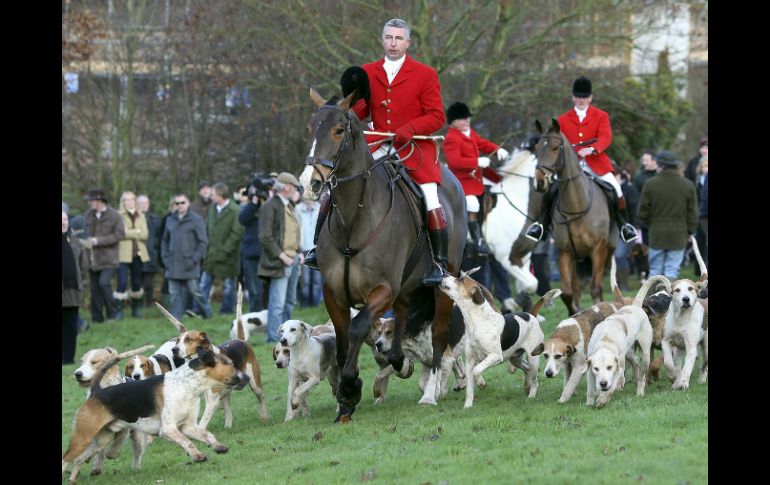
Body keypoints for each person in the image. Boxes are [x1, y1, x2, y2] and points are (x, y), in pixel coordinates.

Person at [305, 18, 448, 286]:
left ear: (408, 42)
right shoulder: (368, 72)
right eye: (389, 38)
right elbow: (361, 112)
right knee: (335, 185)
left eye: (399, 38)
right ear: (382, 40)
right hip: (379, 142)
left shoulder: (425, 73)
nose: (393, 43)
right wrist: (345, 117)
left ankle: (439, 263)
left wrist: (409, 127)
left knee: (430, 197)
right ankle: (316, 248)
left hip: (414, 147)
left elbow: (437, 115)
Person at [524, 76, 638, 244]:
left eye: (584, 97)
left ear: (590, 98)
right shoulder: (562, 119)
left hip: (596, 163)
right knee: (550, 190)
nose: (581, 100)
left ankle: (624, 226)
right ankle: (542, 226)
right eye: (578, 97)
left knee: (616, 189)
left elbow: (606, 137)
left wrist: (592, 149)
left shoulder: (601, 116)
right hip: (570, 165)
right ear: (573, 98)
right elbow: (555, 141)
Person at [443, 101, 508, 257]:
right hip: (462, 183)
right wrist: (476, 162)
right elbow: (454, 161)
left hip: (475, 182)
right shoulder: (452, 138)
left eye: (468, 118)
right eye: (464, 119)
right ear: (454, 122)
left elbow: (483, 144)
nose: (468, 121)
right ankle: (476, 241)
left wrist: (497, 149)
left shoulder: (470, 133)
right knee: (472, 205)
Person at [638, 151, 698, 280]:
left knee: (655, 271)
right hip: (679, 233)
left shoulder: (650, 184)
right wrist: (690, 231)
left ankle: (654, 298)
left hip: (656, 233)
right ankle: (668, 298)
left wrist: (651, 224)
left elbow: (642, 212)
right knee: (672, 270)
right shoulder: (687, 185)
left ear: (661, 166)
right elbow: (692, 213)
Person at [259, 173, 304, 343]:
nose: (296, 190)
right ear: (287, 187)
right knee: (277, 303)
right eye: (294, 187)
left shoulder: (289, 205)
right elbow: (265, 237)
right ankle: (273, 338)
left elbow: (294, 233)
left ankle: (287, 336)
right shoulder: (269, 206)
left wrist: (299, 251)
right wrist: (282, 256)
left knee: (290, 302)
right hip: (280, 261)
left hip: (293, 260)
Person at [161, 194, 210, 320]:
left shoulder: (196, 219)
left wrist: (195, 259)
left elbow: (203, 242)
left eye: (183, 202)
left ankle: (207, 313)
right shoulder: (170, 219)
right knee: (174, 293)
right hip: (173, 263)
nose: (180, 205)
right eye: (177, 203)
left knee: (195, 292)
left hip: (190, 263)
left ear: (188, 203)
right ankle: (177, 318)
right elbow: (165, 241)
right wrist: (165, 258)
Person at [198, 182, 244, 316]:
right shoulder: (213, 208)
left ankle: (226, 311)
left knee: (229, 286)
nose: (211, 197)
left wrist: (224, 251)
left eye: (213, 194)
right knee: (204, 283)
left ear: (221, 196)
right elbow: (207, 228)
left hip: (229, 256)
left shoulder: (236, 210)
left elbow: (236, 234)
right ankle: (201, 310)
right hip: (211, 254)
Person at [83, 189, 125, 323]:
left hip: (109, 259)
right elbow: (83, 232)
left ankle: (113, 315)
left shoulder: (115, 215)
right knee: (94, 289)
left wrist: (98, 240)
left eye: (91, 200)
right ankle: (97, 318)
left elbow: (120, 235)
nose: (89, 203)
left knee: (104, 283)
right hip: (92, 259)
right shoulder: (88, 215)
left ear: (99, 200)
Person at [115, 191, 150, 319]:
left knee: (136, 282)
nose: (129, 202)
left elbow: (145, 235)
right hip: (123, 254)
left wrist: (129, 232)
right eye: (126, 200)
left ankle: (136, 309)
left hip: (138, 254)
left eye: (131, 200)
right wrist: (136, 232)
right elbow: (121, 234)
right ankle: (119, 311)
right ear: (123, 202)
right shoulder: (118, 215)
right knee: (122, 281)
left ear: (135, 201)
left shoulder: (141, 215)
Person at [63, 211, 88, 364]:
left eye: (65, 219)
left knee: (71, 328)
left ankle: (69, 358)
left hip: (73, 291)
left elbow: (82, 264)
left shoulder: (74, 240)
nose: (63, 222)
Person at [238, 183, 268, 313]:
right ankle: (255, 315)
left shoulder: (270, 207)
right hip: (251, 255)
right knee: (255, 290)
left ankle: (268, 316)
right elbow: (243, 219)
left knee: (268, 289)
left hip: (268, 253)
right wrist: (254, 202)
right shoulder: (248, 207)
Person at [296, 191, 323, 307]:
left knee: (317, 280)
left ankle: (315, 303)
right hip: (304, 248)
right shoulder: (298, 209)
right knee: (305, 280)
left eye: (311, 197)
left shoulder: (320, 209)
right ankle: (305, 304)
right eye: (306, 197)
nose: (308, 200)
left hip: (317, 248)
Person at [137, 194, 161, 307]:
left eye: (145, 203)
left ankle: (149, 302)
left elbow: (159, 236)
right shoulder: (133, 219)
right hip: (136, 254)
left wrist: (154, 248)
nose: (143, 205)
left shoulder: (155, 219)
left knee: (149, 281)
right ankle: (138, 303)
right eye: (141, 203)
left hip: (151, 254)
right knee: (137, 280)